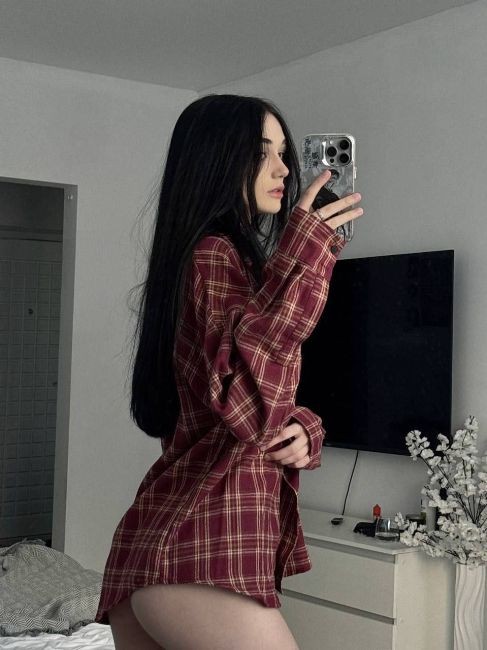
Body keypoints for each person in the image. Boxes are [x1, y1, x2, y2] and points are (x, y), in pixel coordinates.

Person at [95, 94, 363, 649]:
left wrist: (304, 429)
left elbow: (228, 403)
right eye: (261, 152)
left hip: (159, 545)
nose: (284, 169)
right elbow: (252, 408)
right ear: (215, 160)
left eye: (284, 153)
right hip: (196, 549)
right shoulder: (215, 255)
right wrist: (307, 253)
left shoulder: (212, 260)